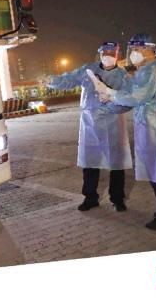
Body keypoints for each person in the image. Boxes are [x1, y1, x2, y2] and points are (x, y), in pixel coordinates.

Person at [87, 33, 156, 230]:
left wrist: (110, 93)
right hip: (149, 121)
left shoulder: (153, 70)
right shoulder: (145, 70)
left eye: (136, 49)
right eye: (132, 49)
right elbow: (129, 96)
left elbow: (137, 96)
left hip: (155, 124)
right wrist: (110, 102)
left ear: (148, 49)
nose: (133, 53)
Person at [48, 41, 132, 212]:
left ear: (118, 54)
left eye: (112, 53)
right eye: (104, 52)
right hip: (90, 123)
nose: (108, 56)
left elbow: (128, 101)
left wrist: (111, 104)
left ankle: (117, 198)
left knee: (116, 163)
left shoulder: (123, 76)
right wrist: (51, 81)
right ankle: (90, 197)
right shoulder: (88, 69)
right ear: (99, 54)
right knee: (90, 162)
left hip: (113, 123)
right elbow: (68, 80)